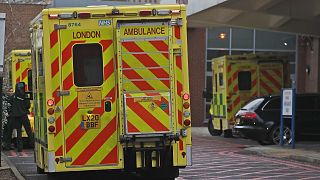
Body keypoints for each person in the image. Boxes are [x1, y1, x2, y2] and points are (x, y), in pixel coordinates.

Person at [4, 83, 33, 152]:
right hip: (24, 116)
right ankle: (32, 144)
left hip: (16, 117)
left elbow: (9, 105)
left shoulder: (13, 97)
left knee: (19, 132)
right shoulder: (25, 96)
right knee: (28, 131)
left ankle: (20, 148)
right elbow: (28, 106)